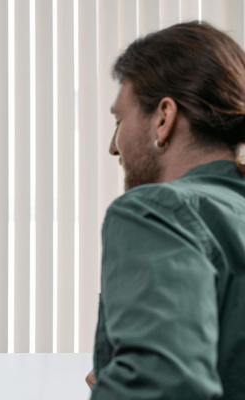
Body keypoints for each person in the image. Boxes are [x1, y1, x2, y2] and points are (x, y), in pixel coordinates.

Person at [87, 22, 245, 399]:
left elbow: (165, 387)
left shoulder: (157, 210)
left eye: (119, 120)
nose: (114, 146)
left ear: (163, 117)